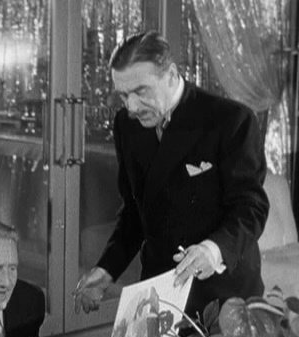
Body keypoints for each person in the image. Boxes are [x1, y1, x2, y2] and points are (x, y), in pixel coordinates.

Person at [73, 31, 269, 320]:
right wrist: (106, 271)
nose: (132, 107)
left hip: (225, 295)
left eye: (141, 91)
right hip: (158, 288)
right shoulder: (127, 125)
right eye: (124, 95)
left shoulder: (231, 120)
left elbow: (251, 208)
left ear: (171, 75)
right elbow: (135, 213)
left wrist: (212, 250)